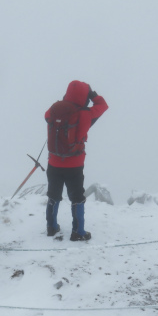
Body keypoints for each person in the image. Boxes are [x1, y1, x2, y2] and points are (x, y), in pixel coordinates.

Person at [44, 80, 109, 241]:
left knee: (53, 195)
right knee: (77, 197)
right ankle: (78, 232)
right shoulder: (85, 114)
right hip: (74, 165)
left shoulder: (52, 110)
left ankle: (51, 227)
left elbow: (47, 117)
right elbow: (103, 105)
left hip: (53, 163)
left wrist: (66, 102)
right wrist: (93, 95)